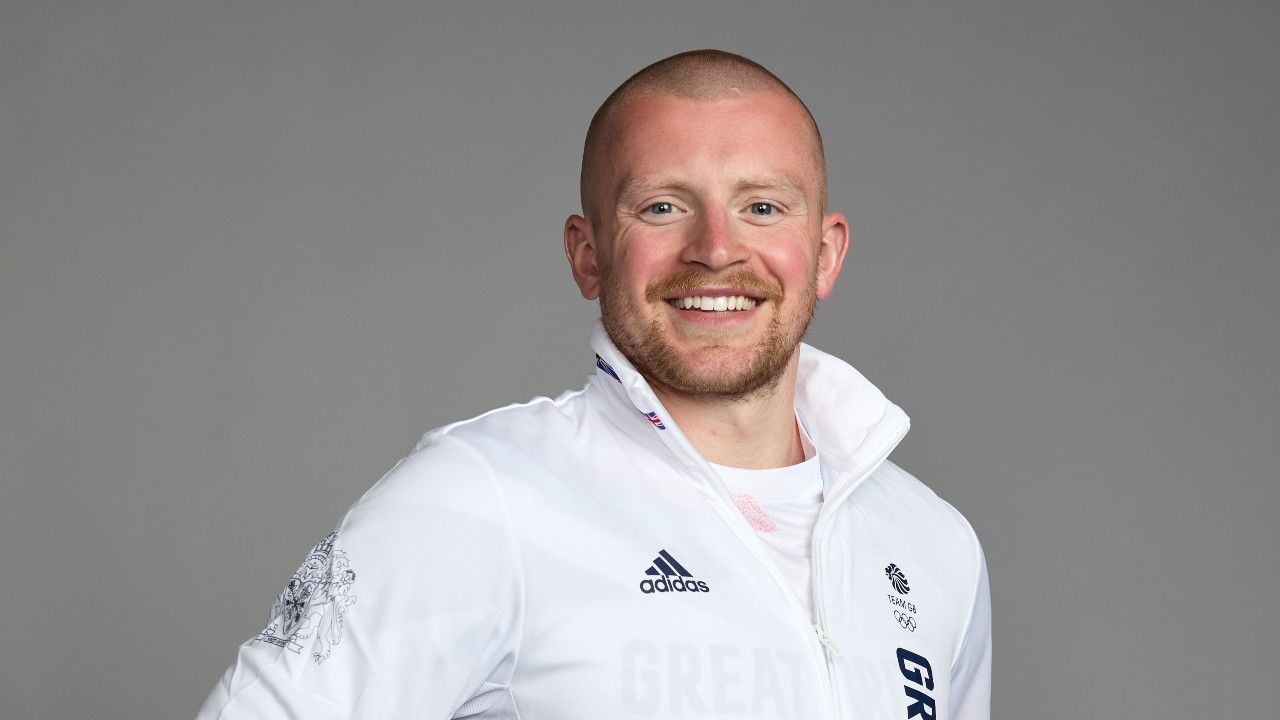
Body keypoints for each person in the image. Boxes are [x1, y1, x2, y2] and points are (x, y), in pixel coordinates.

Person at [195, 49, 991, 719]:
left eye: (761, 206)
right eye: (663, 205)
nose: (716, 249)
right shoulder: (480, 500)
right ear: (587, 254)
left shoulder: (931, 545)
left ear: (824, 254)